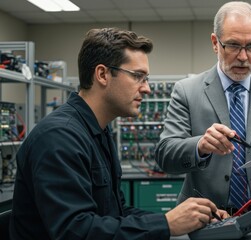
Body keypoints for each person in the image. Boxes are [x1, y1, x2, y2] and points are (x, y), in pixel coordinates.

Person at [9, 27, 227, 240]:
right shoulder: (58, 138)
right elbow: (76, 231)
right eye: (138, 76)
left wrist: (183, 219)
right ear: (102, 74)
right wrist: (166, 224)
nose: (147, 88)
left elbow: (116, 213)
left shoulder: (99, 132)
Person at [155, 1, 251, 214]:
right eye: (234, 45)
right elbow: (165, 155)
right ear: (215, 43)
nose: (243, 56)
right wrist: (199, 146)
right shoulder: (186, 91)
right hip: (205, 218)